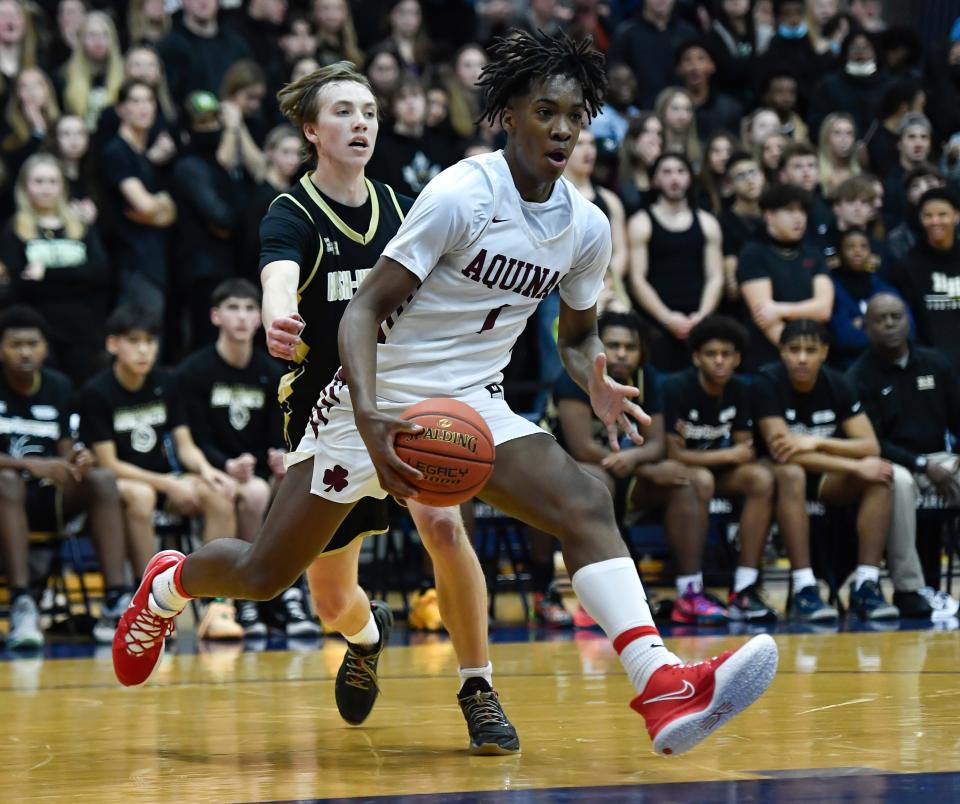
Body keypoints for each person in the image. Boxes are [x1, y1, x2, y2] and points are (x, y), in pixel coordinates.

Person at [112, 30, 777, 760]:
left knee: (582, 501)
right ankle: (170, 585)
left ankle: (658, 684)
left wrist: (593, 373)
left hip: (469, 401)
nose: (562, 129)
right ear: (510, 116)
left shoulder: (587, 226)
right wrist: (367, 415)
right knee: (265, 576)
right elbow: (362, 311)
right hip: (370, 399)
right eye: (546, 111)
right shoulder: (465, 191)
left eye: (576, 115)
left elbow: (578, 333)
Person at [257, 62, 517, 752]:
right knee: (329, 599)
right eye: (343, 111)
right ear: (312, 130)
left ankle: (479, 687)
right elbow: (278, 278)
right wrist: (278, 318)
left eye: (368, 111)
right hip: (327, 413)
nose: (360, 123)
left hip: (407, 401)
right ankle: (368, 631)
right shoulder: (293, 212)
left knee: (443, 525)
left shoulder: (404, 210)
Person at [79, 303, 245, 640]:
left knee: (219, 495)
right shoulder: (96, 392)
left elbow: (184, 445)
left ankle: (217, 604)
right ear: (113, 345)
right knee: (140, 496)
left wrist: (206, 470)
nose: (144, 350)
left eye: (150, 341)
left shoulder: (166, 383)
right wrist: (168, 484)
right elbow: (108, 463)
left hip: (164, 479)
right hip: (125, 482)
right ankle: (151, 604)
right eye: (134, 341)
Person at [175, 279, 315, 637]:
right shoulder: (193, 372)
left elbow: (278, 432)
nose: (242, 317)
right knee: (249, 492)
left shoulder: (271, 371)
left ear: (260, 319)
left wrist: (277, 454)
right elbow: (196, 437)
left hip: (253, 472)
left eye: (250, 309)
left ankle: (283, 591)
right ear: (215, 316)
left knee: (277, 483)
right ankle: (246, 594)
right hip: (216, 468)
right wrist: (224, 465)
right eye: (233, 308)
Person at [0, 306, 137, 648]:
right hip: (5, 499)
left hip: (49, 497)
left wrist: (76, 457)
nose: (25, 351)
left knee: (103, 479)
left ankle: (116, 599)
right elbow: (26, 468)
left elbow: (63, 444)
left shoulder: (59, 386)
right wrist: (29, 465)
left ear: (45, 348)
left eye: (32, 343)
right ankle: (22, 602)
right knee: (7, 481)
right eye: (15, 344)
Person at [753, 319, 898, 621]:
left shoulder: (838, 383)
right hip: (774, 475)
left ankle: (866, 584)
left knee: (879, 477)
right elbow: (783, 452)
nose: (802, 358)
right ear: (781, 352)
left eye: (810, 350)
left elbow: (870, 446)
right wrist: (855, 465)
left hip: (823, 476)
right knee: (792, 471)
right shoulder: (766, 383)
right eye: (794, 350)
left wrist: (812, 441)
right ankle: (806, 587)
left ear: (825, 352)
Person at [846, 294, 960, 620]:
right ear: (867, 328)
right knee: (898, 480)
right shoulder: (859, 377)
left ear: (908, 320)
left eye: (896, 316)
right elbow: (874, 444)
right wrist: (923, 465)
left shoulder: (936, 363)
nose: (890, 325)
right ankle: (909, 590)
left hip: (940, 459)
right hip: (894, 463)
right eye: (880, 320)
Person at [662, 315, 778, 622]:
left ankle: (744, 586)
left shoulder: (742, 389)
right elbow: (674, 455)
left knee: (761, 478)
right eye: (711, 354)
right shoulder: (674, 388)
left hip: (717, 473)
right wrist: (727, 455)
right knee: (698, 478)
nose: (719, 361)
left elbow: (744, 452)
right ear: (696, 357)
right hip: (677, 477)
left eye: (726, 355)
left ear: (737, 359)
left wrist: (728, 456)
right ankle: (690, 590)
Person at [0, 153, 109, 386]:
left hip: (82, 328)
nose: (46, 189)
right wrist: (74, 276)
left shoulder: (80, 226)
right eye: (38, 182)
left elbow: (99, 272)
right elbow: (21, 284)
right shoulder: (13, 229)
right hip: (37, 330)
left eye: (52, 182)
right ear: (25, 186)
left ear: (62, 186)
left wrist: (47, 274)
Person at [627, 152, 724, 373]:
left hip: (698, 319)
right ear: (655, 180)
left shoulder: (708, 223)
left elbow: (716, 276)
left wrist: (702, 316)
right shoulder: (641, 222)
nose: (674, 178)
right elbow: (637, 279)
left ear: (690, 178)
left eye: (681, 171)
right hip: (656, 322)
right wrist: (668, 318)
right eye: (667, 172)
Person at [99, 79, 176, 315]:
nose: (144, 107)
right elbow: (145, 205)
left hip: (152, 261)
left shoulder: (144, 155)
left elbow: (170, 213)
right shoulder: (117, 151)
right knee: (140, 337)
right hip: (131, 263)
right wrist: (161, 207)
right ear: (121, 109)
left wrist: (162, 208)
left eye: (149, 100)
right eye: (135, 100)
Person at [737, 183, 833, 370]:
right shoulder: (753, 254)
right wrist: (798, 356)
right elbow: (765, 319)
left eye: (802, 211)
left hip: (812, 358)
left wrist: (780, 309)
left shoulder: (813, 254)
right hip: (768, 360)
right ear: (769, 216)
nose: (798, 218)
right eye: (789, 211)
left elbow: (823, 309)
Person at [892, 188, 960, 372]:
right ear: (921, 219)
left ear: (956, 216)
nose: (935, 221)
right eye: (928, 215)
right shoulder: (907, 266)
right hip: (931, 365)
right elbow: (907, 323)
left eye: (942, 214)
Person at [828, 228, 909, 368]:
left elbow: (908, 331)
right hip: (847, 368)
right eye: (850, 247)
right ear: (840, 252)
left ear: (871, 253)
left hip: (887, 365)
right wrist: (885, 334)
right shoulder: (831, 289)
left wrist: (864, 322)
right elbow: (843, 337)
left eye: (863, 246)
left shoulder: (886, 289)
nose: (857, 252)